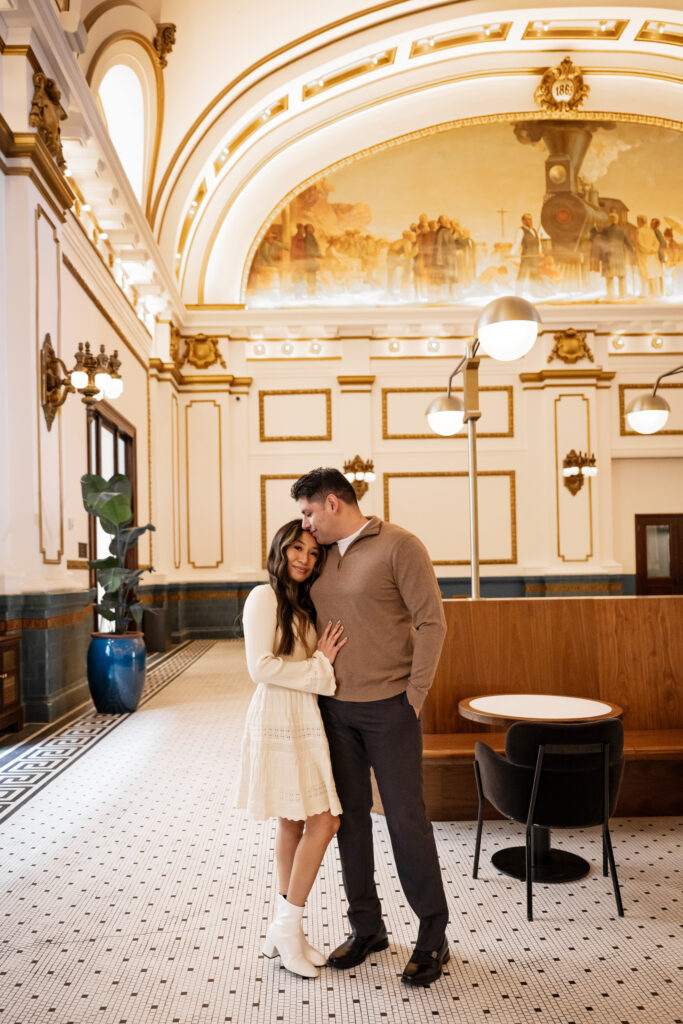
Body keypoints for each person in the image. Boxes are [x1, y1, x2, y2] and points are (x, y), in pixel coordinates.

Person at [291, 468, 450, 988]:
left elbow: (432, 622)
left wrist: (415, 696)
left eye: (310, 512)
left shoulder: (400, 545)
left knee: (406, 821)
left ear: (334, 503)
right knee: (349, 820)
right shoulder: (319, 559)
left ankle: (432, 936)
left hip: (391, 709)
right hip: (336, 711)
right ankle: (368, 928)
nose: (305, 524)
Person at [236, 520, 348, 979]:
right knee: (326, 820)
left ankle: (285, 931)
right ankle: (288, 925)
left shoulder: (300, 603)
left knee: (294, 821)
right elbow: (259, 668)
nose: (304, 558)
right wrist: (321, 665)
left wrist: (315, 664)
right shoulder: (264, 597)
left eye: (313, 553)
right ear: (280, 549)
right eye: (296, 548)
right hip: (279, 715)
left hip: (302, 715)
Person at [513, 212, 541, 293]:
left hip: (535, 257)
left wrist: (540, 252)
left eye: (530, 219)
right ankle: (518, 292)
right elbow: (517, 243)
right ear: (523, 221)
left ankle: (534, 292)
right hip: (526, 257)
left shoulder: (534, 230)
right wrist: (511, 254)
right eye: (527, 219)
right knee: (522, 274)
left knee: (535, 275)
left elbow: (538, 243)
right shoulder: (520, 231)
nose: (529, 221)